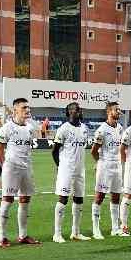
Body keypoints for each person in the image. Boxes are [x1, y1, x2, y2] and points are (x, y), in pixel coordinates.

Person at [0, 98, 41, 247]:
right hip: (11, 168)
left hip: (27, 168)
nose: (27, 110)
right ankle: (2, 237)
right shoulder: (7, 128)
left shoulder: (30, 128)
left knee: (25, 200)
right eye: (24, 108)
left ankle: (22, 235)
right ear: (15, 110)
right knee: (7, 200)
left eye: (28, 107)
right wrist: (5, 167)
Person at [52, 102, 90, 243]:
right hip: (66, 169)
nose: (78, 111)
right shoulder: (63, 129)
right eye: (75, 109)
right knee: (63, 198)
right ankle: (57, 233)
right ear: (69, 112)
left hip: (80, 169)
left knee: (79, 199)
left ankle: (76, 232)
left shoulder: (84, 128)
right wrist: (60, 166)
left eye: (79, 109)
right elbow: (55, 151)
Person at [91, 102, 124, 238]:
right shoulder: (102, 130)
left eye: (119, 110)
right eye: (116, 110)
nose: (119, 112)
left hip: (117, 166)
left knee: (116, 196)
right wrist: (100, 163)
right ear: (109, 112)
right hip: (105, 166)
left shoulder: (120, 128)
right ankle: (96, 229)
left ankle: (115, 228)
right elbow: (94, 151)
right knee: (100, 196)